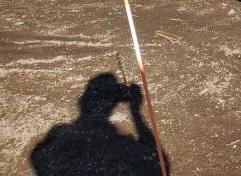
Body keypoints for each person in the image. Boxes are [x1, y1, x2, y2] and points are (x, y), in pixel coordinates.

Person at [31, 73, 169, 175]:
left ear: (82, 101)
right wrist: (136, 113)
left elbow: (38, 160)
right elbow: (161, 166)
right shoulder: (123, 149)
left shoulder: (61, 140)